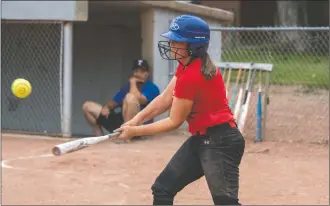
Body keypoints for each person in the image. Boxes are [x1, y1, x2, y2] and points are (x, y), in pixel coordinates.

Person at [114, 15, 245, 205]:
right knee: (162, 189)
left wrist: (135, 132)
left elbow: (173, 121)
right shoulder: (186, 66)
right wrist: (135, 119)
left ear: (194, 46)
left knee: (225, 203)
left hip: (221, 142)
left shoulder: (192, 75)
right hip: (202, 139)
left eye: (178, 41)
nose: (172, 44)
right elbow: (165, 99)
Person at [82, 59, 160, 138]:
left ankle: (126, 137)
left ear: (147, 73)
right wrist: (107, 107)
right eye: (136, 71)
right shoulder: (127, 87)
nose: (138, 74)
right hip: (122, 123)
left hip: (139, 127)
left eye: (142, 71)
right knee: (87, 106)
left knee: (130, 97)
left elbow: (138, 99)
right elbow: (114, 102)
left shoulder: (152, 88)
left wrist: (133, 82)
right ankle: (99, 138)